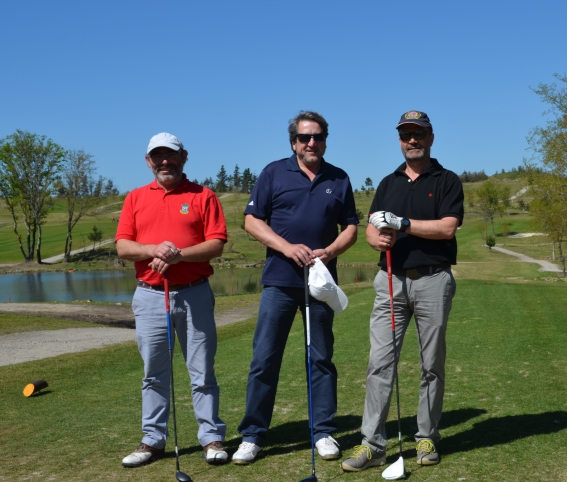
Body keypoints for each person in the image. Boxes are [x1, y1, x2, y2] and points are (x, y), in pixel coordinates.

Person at [233, 111, 358, 465]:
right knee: (264, 359)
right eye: (304, 137)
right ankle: (253, 435)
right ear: (294, 142)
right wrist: (287, 248)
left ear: (325, 140)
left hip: (319, 283)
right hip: (280, 281)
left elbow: (350, 226)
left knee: (320, 358)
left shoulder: (339, 178)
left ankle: (323, 433)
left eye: (317, 137)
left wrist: (330, 251)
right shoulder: (274, 172)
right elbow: (251, 221)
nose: (311, 143)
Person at [341, 111, 464, 472]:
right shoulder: (388, 183)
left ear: (430, 137)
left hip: (432, 280)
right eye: (406, 134)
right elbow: (369, 230)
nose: (412, 140)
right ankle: (372, 444)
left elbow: (447, 229)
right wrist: (377, 237)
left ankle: (426, 437)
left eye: (419, 133)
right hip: (390, 280)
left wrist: (404, 224)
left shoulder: (447, 180)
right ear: (399, 139)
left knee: (431, 364)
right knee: (379, 362)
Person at [116, 132, 229, 468]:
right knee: (154, 373)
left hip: (194, 293)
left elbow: (217, 243)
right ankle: (152, 441)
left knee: (202, 372)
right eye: (158, 157)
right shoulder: (135, 198)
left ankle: (211, 438)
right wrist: (154, 249)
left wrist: (178, 255)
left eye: (171, 156)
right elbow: (123, 246)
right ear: (149, 161)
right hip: (150, 295)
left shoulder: (203, 195)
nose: (165, 162)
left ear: (184, 157)